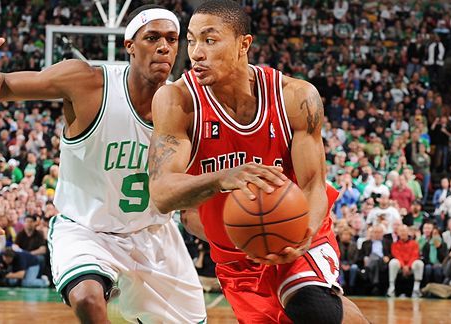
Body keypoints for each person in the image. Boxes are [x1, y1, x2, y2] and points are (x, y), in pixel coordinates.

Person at [0, 7, 205, 323]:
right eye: (152, 37)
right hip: (86, 229)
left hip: (153, 234)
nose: (164, 47)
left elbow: (190, 211)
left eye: (171, 38)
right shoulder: (87, 82)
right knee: (87, 298)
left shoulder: (190, 106)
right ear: (129, 45)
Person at [148, 1, 368, 323]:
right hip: (236, 256)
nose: (196, 52)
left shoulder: (296, 97)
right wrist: (223, 180)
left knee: (311, 306)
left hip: (299, 230)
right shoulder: (177, 101)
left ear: (244, 44)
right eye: (192, 40)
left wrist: (298, 233)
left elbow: (313, 184)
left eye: (210, 40)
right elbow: (162, 194)